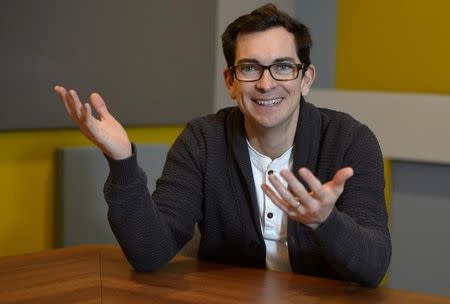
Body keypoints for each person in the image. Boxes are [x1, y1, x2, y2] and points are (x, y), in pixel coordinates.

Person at [54, 3, 391, 287]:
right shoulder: (202, 140)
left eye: (283, 67)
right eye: (249, 68)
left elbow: (373, 268)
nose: (265, 83)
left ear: (306, 80)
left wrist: (324, 221)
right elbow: (149, 253)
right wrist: (122, 160)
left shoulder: (350, 141)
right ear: (231, 82)